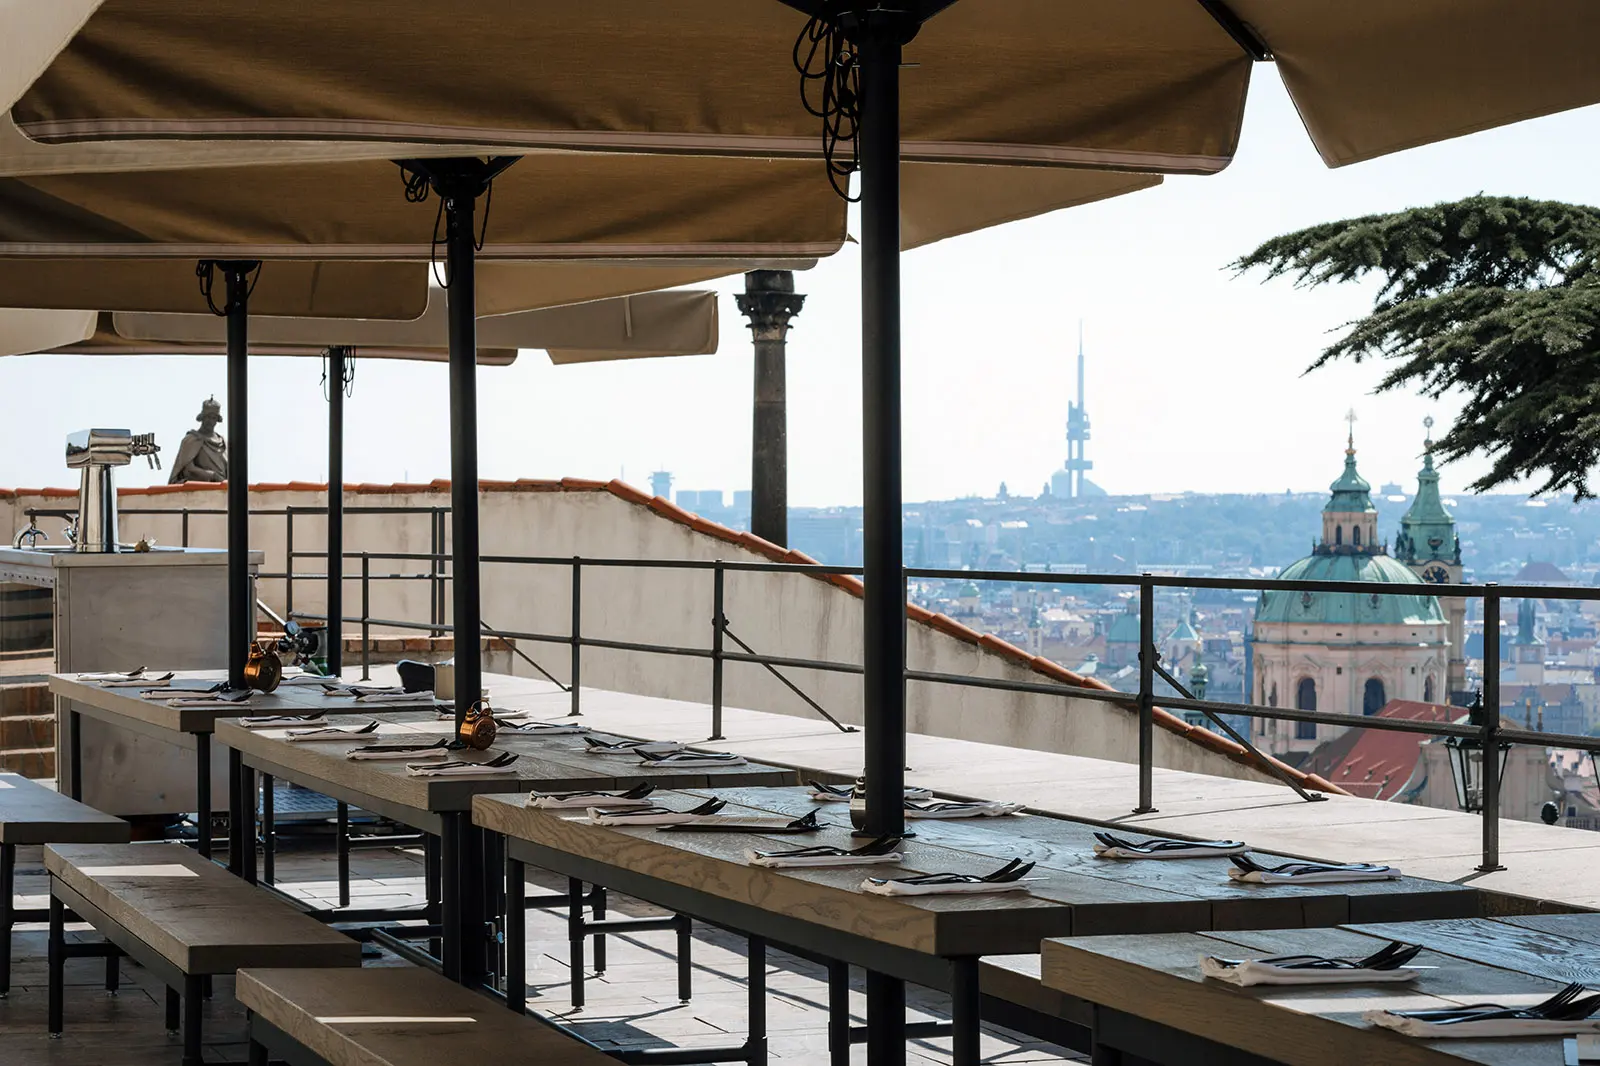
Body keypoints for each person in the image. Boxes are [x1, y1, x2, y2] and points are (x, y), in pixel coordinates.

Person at [168, 396, 228, 483]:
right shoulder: (191, 439)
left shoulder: (223, 442)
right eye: (208, 417)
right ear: (202, 417)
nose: (210, 421)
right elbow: (189, 468)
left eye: (213, 418)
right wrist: (212, 475)